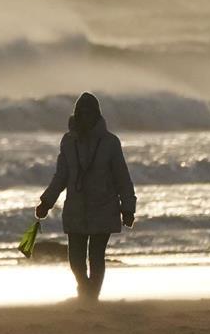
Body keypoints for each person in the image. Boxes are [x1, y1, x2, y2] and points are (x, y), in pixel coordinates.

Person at [35, 92, 136, 302]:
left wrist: (128, 208)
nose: (85, 116)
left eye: (89, 112)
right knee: (76, 258)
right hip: (76, 207)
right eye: (81, 112)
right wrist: (46, 201)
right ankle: (86, 289)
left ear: (97, 115)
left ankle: (92, 297)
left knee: (96, 255)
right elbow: (61, 175)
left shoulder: (110, 142)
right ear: (77, 114)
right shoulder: (68, 141)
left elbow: (122, 177)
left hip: (104, 205)